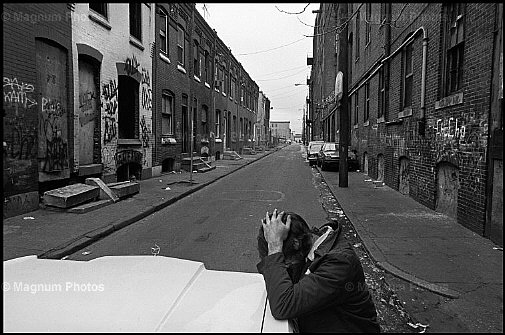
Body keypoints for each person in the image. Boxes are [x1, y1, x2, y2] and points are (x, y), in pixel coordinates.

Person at [257, 209, 380, 333]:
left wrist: (274, 247)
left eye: (285, 262)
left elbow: (283, 305)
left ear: (296, 244)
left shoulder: (338, 263)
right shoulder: (312, 254)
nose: (285, 267)